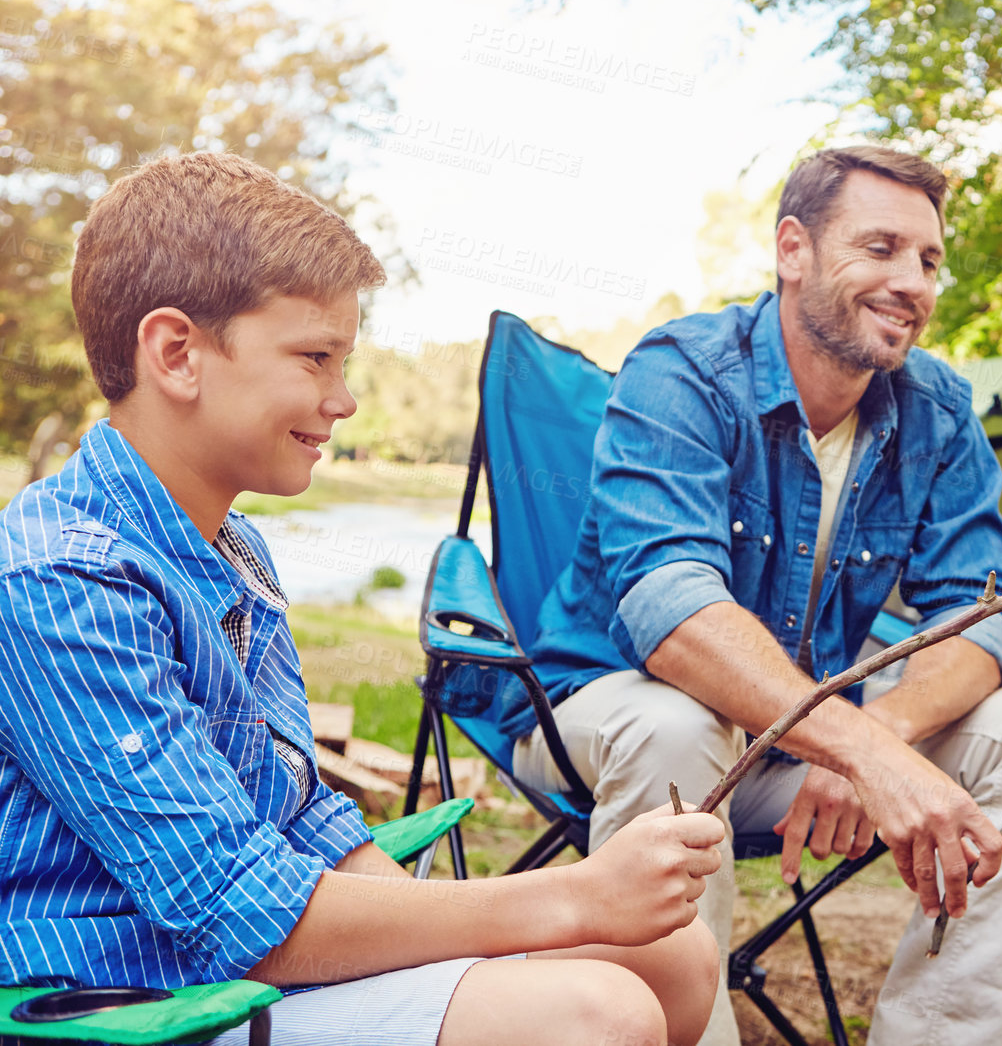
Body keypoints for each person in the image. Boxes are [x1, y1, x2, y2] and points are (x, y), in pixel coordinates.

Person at [0, 153, 725, 1046]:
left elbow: (301, 812)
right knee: (593, 1016)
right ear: (177, 353)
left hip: (238, 964)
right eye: (315, 358)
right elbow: (234, 909)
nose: (342, 400)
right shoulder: (60, 578)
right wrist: (569, 899)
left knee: (676, 957)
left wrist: (455, 935)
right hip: (130, 1001)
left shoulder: (230, 546)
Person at [499, 145, 1002, 1046]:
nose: (912, 282)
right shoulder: (685, 372)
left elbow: (978, 621)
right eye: (882, 247)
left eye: (929, 261)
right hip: (600, 720)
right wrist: (858, 747)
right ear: (793, 249)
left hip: (801, 748)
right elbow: (672, 612)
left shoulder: (937, 412)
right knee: (677, 726)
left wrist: (879, 740)